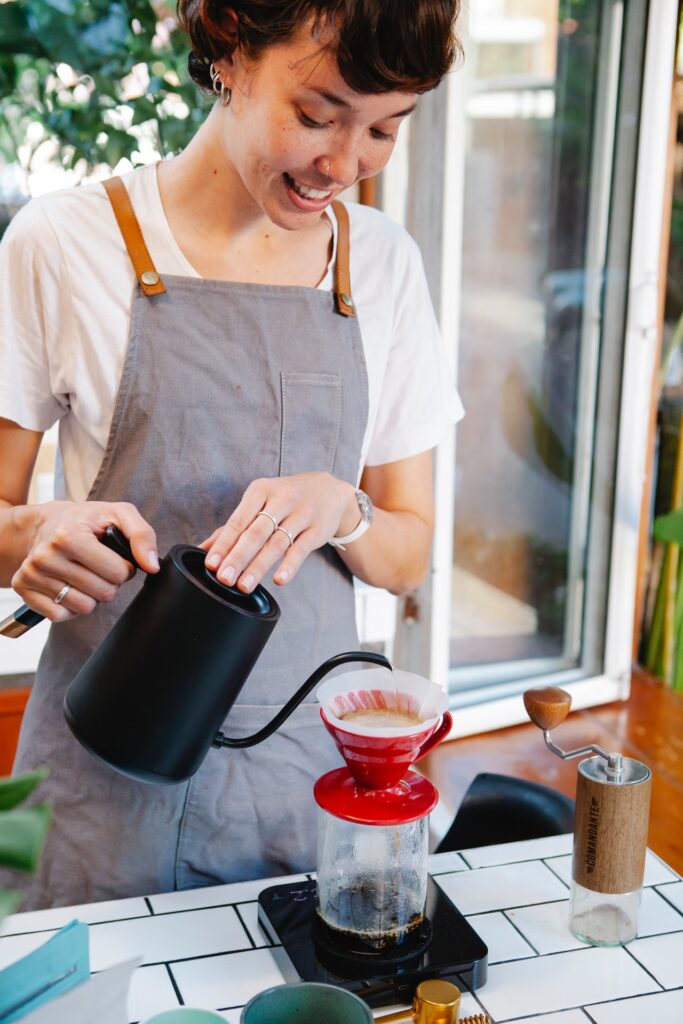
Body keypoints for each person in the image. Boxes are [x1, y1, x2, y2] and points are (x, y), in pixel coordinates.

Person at [0, 0, 463, 909]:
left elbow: (407, 555)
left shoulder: (382, 266)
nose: (343, 164)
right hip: (98, 782)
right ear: (228, 50)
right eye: (317, 114)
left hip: (302, 785)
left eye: (385, 128)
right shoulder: (62, 244)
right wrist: (28, 538)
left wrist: (346, 506)